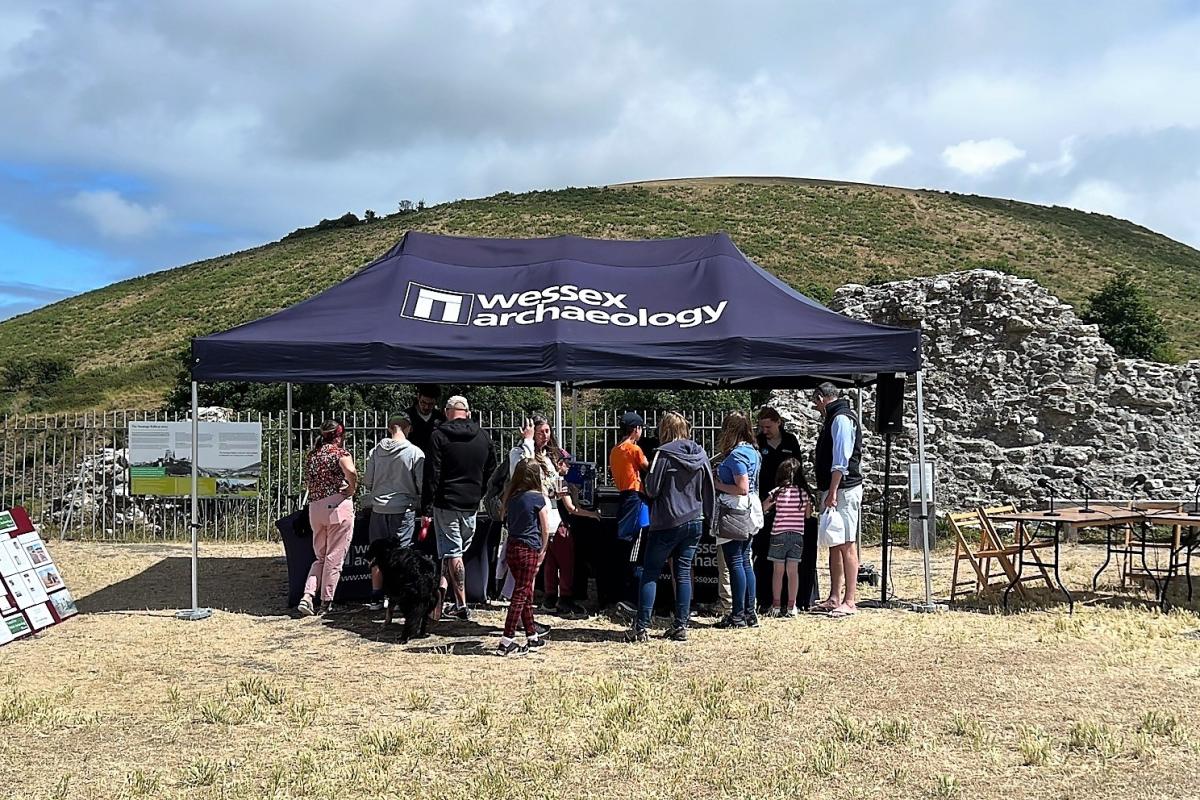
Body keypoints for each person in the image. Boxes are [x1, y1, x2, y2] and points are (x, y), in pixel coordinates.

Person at [625, 412, 714, 643]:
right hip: (695, 520)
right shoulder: (701, 453)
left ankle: (641, 626)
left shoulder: (663, 455)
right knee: (683, 573)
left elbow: (652, 489)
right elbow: (709, 488)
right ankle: (681, 625)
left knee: (651, 572)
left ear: (665, 429)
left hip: (666, 521)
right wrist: (710, 518)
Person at [422, 395, 497, 621]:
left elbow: (432, 474)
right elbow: (492, 471)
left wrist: (426, 508)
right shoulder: (484, 437)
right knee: (453, 552)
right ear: (469, 412)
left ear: (446, 412)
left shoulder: (438, 436)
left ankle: (461, 605)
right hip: (471, 504)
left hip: (446, 502)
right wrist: (478, 492)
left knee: (452, 553)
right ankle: (439, 605)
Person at [812, 382, 864, 616]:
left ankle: (850, 601)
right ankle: (834, 597)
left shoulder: (841, 418)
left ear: (822, 397)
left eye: (816, 401)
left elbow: (841, 459)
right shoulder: (833, 418)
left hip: (843, 488)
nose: (815, 406)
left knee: (846, 543)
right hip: (834, 488)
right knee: (834, 543)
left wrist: (832, 491)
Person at [363, 415, 424, 611]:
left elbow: (368, 481)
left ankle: (376, 596)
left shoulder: (375, 451)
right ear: (408, 429)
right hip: (403, 508)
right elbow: (421, 484)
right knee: (402, 554)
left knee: (377, 551)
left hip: (379, 508)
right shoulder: (415, 452)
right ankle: (397, 597)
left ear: (390, 428)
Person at [298, 421, 358, 616]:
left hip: (315, 508)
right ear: (339, 436)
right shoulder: (340, 454)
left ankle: (308, 595)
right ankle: (326, 602)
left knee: (320, 557)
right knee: (334, 557)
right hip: (337, 507)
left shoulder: (313, 456)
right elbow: (351, 471)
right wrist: (351, 488)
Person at [712, 411, 764, 629]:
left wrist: (717, 484)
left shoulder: (737, 455)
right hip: (750, 509)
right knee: (744, 561)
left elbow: (741, 488)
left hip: (734, 509)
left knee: (735, 562)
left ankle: (738, 615)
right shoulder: (753, 452)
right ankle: (749, 612)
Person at [755, 407, 810, 607]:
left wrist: (801, 497)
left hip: (789, 504)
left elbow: (798, 469)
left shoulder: (790, 441)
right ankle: (765, 599)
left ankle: (792, 600)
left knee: (791, 561)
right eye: (762, 427)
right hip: (765, 501)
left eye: (768, 426)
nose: (765, 430)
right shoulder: (758, 442)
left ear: (778, 422)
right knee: (764, 554)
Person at [496, 459, 552, 656]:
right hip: (529, 549)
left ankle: (532, 636)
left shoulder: (511, 498)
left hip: (512, 547)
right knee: (520, 594)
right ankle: (506, 640)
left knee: (525, 592)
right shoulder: (538, 498)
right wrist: (543, 551)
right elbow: (545, 528)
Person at [545, 448, 600, 616]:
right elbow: (571, 508)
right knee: (567, 565)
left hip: (548, 525)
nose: (569, 465)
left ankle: (549, 598)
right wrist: (592, 514)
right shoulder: (560, 481)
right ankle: (566, 600)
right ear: (558, 464)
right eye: (566, 462)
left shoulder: (546, 480)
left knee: (550, 564)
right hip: (562, 527)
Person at [761, 458, 813, 616]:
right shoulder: (803, 493)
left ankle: (776, 606)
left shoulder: (777, 492)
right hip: (797, 535)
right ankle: (792, 606)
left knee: (778, 571)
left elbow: (763, 508)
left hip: (779, 534)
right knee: (793, 572)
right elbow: (808, 515)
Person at [610, 412, 649, 615]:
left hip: (623, 497)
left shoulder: (615, 450)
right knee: (637, 548)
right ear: (636, 429)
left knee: (625, 545)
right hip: (635, 498)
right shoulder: (634, 449)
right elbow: (647, 468)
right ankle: (634, 598)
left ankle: (623, 594)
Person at [406, 384, 446, 455]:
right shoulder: (407, 416)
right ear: (418, 397)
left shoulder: (440, 418)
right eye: (423, 402)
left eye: (431, 404)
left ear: (436, 401)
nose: (426, 407)